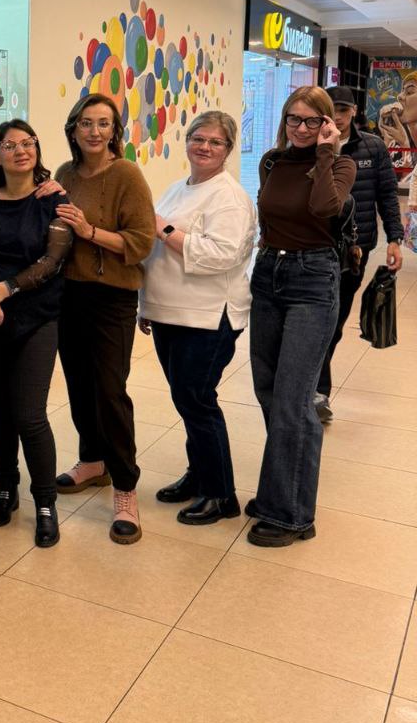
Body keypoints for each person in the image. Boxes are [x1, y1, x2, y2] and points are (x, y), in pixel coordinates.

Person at [0, 120, 72, 547]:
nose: (21, 151)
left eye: (28, 143)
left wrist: (5, 290)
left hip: (36, 316)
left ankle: (45, 503)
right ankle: (7, 488)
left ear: (36, 150)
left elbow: (53, 260)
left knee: (29, 415)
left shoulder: (54, 201)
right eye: (10, 145)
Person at [247, 88, 356, 547]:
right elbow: (268, 217)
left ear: (328, 123)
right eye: (295, 118)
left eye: (314, 121)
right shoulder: (272, 162)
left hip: (313, 278)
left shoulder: (341, 165)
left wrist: (327, 153)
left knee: (294, 399)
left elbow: (324, 208)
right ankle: (281, 490)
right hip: (268, 272)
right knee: (269, 390)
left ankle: (292, 514)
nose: (302, 128)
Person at [138, 112, 256, 524]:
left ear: (228, 149)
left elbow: (222, 255)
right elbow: (155, 253)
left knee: (197, 400)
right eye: (198, 138)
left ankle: (221, 494)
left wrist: (165, 230)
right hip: (169, 312)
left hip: (208, 317)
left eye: (215, 142)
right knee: (185, 400)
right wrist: (146, 304)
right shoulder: (177, 188)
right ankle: (200, 474)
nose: (204, 147)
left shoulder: (230, 198)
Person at [54, 93, 156, 544]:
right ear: (73, 129)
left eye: (103, 123)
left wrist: (89, 231)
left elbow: (142, 241)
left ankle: (125, 488)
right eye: (86, 123)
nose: (94, 131)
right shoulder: (65, 174)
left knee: (110, 391)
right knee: (78, 384)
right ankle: (93, 461)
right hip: (69, 293)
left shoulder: (127, 175)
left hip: (112, 297)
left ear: (115, 131)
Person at [314, 86, 404, 423]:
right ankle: (317, 391)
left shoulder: (372, 147)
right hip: (316, 246)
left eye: (342, 110)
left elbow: (387, 193)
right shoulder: (313, 144)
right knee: (317, 320)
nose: (337, 116)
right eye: (330, 110)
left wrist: (394, 238)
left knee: (335, 322)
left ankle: (315, 387)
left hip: (355, 249)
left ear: (354, 111)